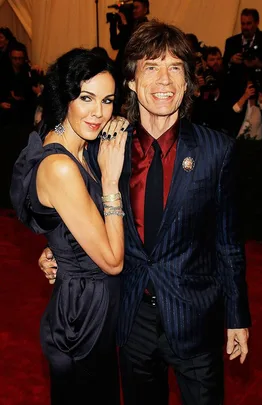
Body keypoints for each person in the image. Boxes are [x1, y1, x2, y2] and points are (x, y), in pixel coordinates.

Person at [39, 21, 251, 405]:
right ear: (133, 82)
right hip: (130, 316)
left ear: (188, 82)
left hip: (194, 319)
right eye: (151, 67)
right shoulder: (106, 145)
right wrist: (58, 247)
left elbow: (229, 243)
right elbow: (83, 208)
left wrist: (237, 317)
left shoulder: (217, 152)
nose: (163, 79)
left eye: (175, 68)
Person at [10, 47, 128, 405]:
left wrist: (57, 248)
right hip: (83, 315)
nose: (99, 112)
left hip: (92, 304)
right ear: (66, 97)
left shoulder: (80, 147)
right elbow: (112, 260)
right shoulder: (60, 164)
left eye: (107, 100)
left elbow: (66, 223)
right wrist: (110, 183)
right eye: (86, 97)